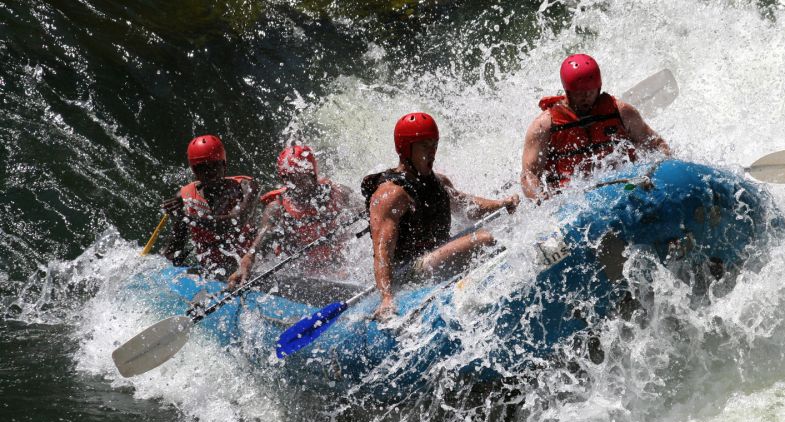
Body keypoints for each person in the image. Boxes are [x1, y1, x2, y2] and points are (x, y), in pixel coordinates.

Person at [363, 112, 519, 322]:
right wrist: (387, 297)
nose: (432, 152)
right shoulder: (390, 195)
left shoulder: (438, 182)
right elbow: (382, 252)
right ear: (406, 149)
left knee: (502, 231)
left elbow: (468, 207)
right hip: (409, 272)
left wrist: (501, 204)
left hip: (435, 257)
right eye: (425, 146)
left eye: (434, 144)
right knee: (484, 239)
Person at [521, 54, 673, 200]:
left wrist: (656, 169)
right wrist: (540, 198)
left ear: (599, 88)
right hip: (572, 202)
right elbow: (529, 175)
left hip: (625, 188)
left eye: (591, 91)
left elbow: (656, 144)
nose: (586, 98)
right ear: (568, 92)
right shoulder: (544, 126)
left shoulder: (622, 112)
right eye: (580, 93)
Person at [227, 145, 361, 298]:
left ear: (312, 174)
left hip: (338, 267)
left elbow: (370, 213)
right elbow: (255, 248)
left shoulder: (339, 193)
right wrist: (245, 264)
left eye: (301, 177)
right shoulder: (277, 208)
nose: (296, 184)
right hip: (300, 274)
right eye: (290, 178)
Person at [161, 135, 259, 279]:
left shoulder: (245, 187)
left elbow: (235, 223)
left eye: (214, 165)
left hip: (247, 267)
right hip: (211, 268)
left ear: (224, 165)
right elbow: (175, 248)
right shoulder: (184, 197)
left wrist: (188, 218)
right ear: (194, 170)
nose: (209, 171)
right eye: (202, 167)